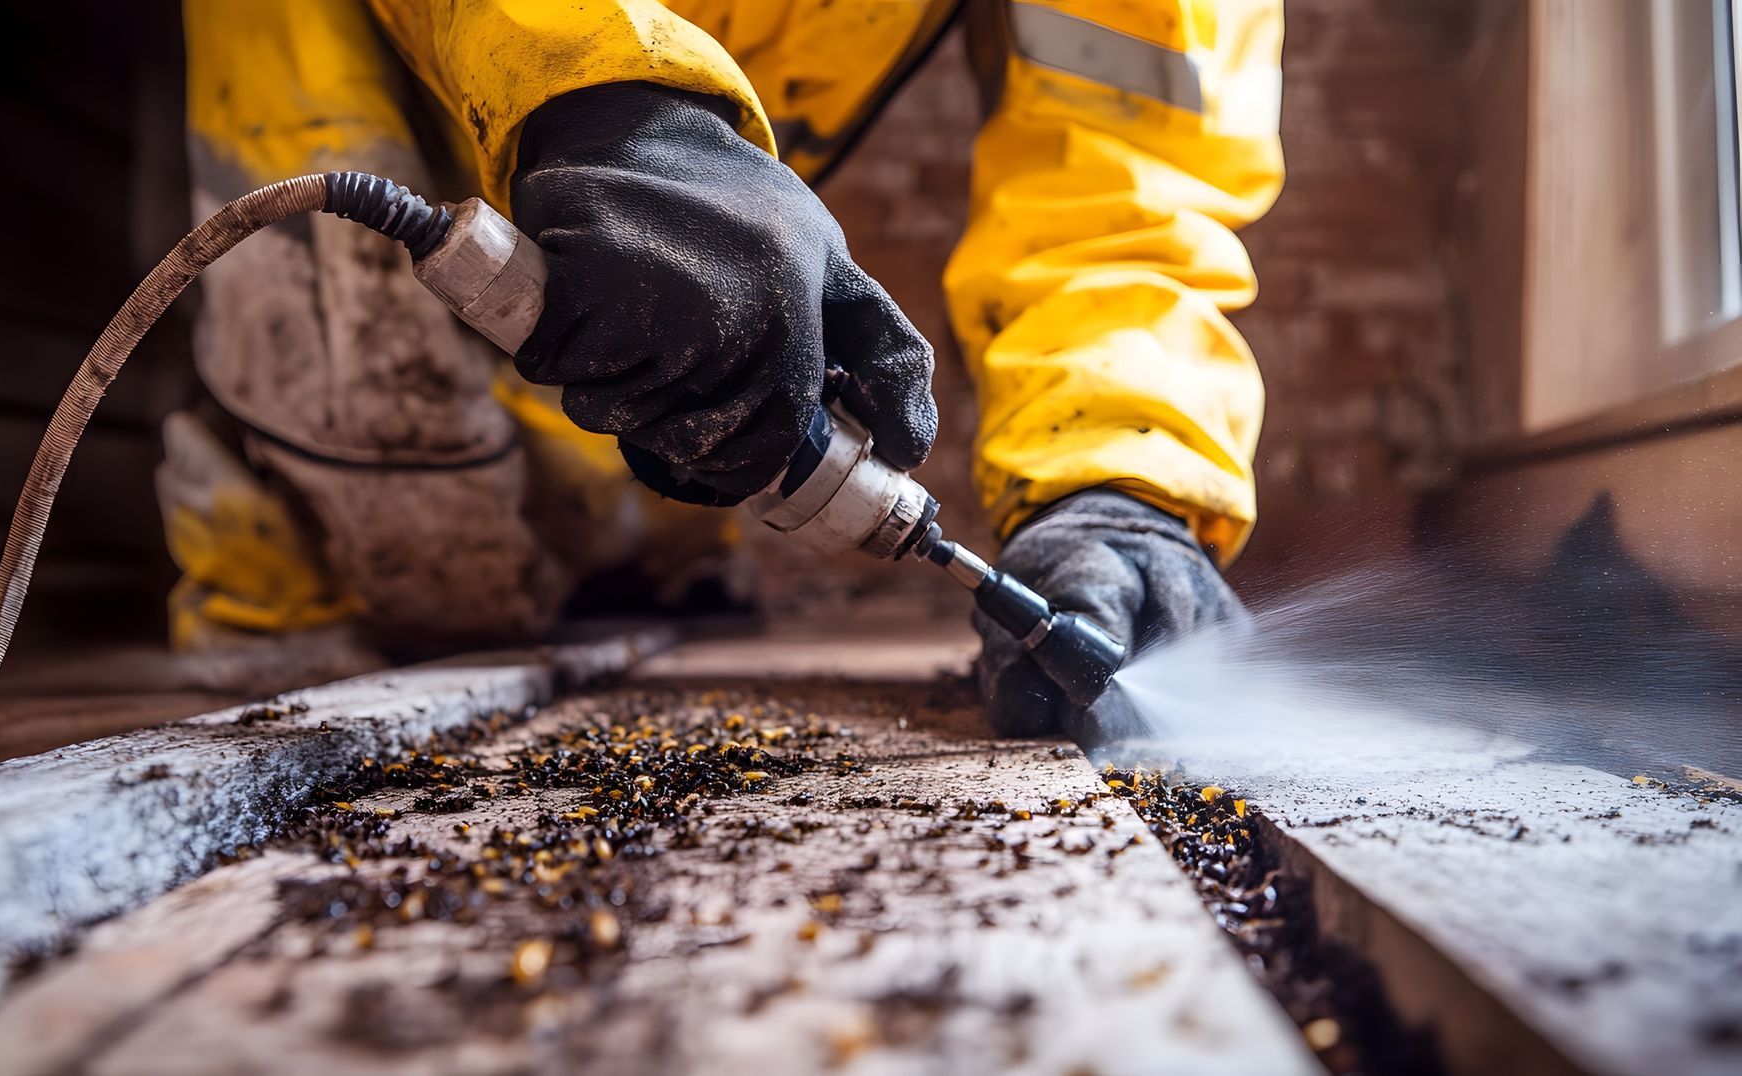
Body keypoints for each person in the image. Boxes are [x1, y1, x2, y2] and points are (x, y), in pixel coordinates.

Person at [169, 0, 1283, 735]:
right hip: (352, 188)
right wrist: (607, 96)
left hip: (623, 421)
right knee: (356, 559)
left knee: (643, 564)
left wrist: (1118, 484)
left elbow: (1128, 174)